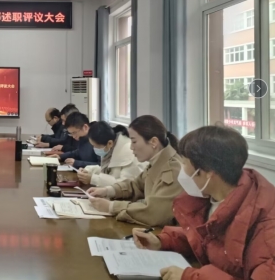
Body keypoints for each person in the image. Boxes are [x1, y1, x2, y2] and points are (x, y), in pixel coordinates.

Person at [133, 125, 275, 280]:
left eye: (184, 163)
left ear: (208, 173)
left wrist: (190, 277)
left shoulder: (267, 228)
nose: (182, 170)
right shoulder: (212, 196)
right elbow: (207, 237)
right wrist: (162, 241)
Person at [87, 115, 182, 227]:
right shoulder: (157, 162)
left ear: (154, 142)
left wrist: (111, 207)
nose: (131, 147)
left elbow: (153, 213)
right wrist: (108, 191)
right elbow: (136, 185)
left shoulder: (173, 169)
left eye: (134, 142)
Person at [76, 121, 143, 187]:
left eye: (96, 146)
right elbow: (107, 170)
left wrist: (93, 179)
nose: (94, 149)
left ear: (109, 143)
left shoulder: (129, 152)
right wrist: (89, 170)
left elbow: (125, 185)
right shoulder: (110, 147)